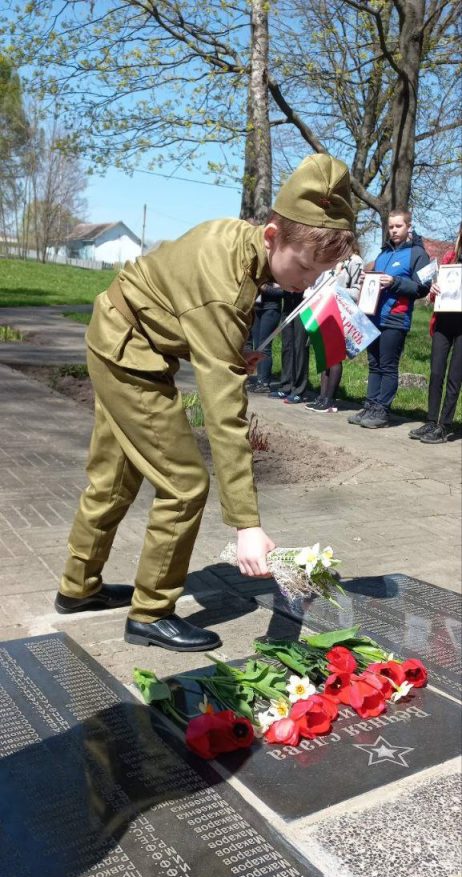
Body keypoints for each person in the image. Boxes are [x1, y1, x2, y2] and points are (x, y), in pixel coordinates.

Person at [54, 153, 355, 652]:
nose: (305, 282)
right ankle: (150, 613)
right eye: (303, 267)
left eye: (320, 273)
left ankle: (77, 588)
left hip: (120, 332)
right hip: (131, 353)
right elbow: (225, 414)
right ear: (272, 236)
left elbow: (184, 303)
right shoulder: (226, 284)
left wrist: (231, 352)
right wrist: (247, 526)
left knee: (115, 477)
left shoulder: (237, 240)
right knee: (186, 483)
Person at [349, 210, 431, 429]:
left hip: (396, 318)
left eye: (399, 226)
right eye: (391, 227)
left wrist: (394, 282)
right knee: (374, 364)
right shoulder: (383, 254)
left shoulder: (417, 254)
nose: (394, 230)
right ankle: (370, 405)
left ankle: (382, 411)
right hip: (373, 317)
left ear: (408, 227)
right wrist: (367, 278)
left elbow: (423, 288)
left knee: (387, 365)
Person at [409, 224, 462, 444]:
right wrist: (433, 290)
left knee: (454, 377)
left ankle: (444, 425)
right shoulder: (450, 257)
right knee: (436, 373)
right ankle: (431, 420)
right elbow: (435, 295)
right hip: (442, 322)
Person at [306, 244, 363, 412]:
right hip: (323, 309)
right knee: (325, 356)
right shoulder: (331, 259)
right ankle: (322, 397)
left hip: (340, 312)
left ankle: (330, 400)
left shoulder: (355, 261)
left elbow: (357, 291)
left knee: (335, 357)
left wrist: (335, 290)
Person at [248, 281, 283, 393]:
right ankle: (259, 380)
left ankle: (265, 382)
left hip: (271, 309)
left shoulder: (276, 273)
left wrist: (264, 288)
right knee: (257, 346)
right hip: (257, 308)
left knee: (265, 345)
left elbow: (281, 292)